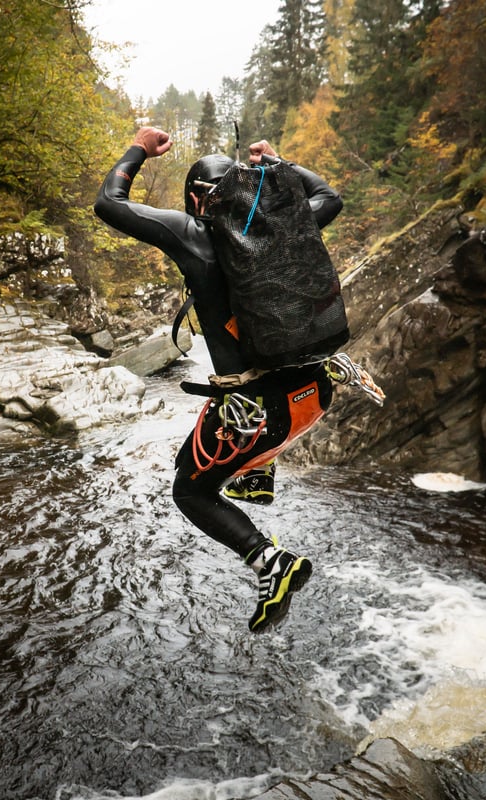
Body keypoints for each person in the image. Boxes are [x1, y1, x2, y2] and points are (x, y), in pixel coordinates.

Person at [93, 126, 347, 633]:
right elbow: (329, 197)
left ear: (195, 199)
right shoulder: (290, 224)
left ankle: (270, 564)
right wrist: (279, 165)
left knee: (189, 490)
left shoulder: (196, 236)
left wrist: (140, 149)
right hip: (315, 393)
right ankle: (257, 474)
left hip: (259, 413)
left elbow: (110, 202)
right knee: (230, 440)